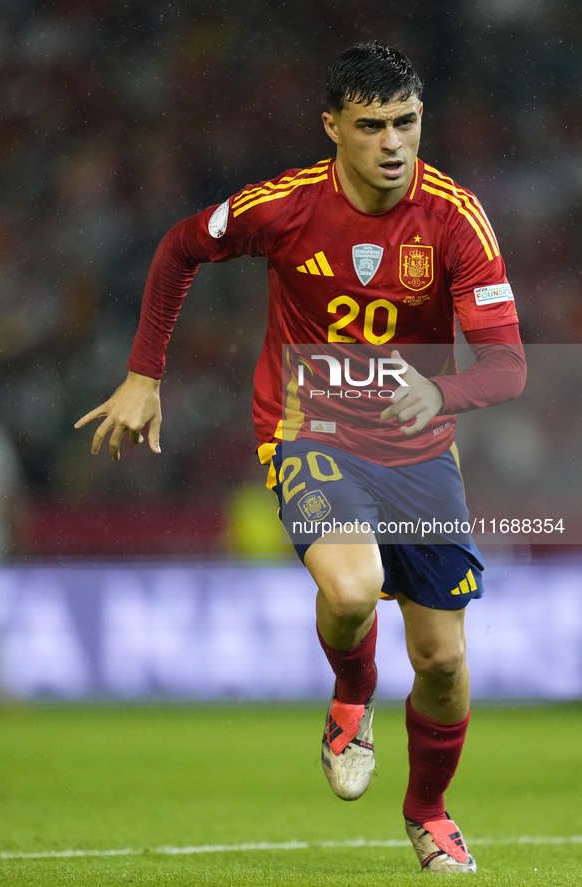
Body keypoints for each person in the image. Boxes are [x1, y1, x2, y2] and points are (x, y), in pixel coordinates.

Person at [76, 42, 526, 873]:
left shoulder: (454, 217)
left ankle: (427, 810)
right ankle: (351, 693)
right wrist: (144, 373)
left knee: (442, 661)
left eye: (406, 122)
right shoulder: (283, 207)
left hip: (418, 449)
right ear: (332, 127)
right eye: (370, 125)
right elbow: (181, 247)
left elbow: (507, 364)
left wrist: (443, 394)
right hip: (307, 424)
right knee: (352, 590)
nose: (392, 142)